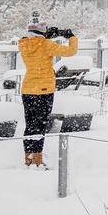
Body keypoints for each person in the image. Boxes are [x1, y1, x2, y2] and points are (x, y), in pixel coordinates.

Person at [19, 11, 77, 169]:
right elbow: (70, 51)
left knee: (30, 124)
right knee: (41, 124)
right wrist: (71, 37)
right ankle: (37, 160)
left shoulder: (23, 44)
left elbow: (35, 42)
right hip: (44, 90)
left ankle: (28, 158)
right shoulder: (46, 45)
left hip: (28, 89)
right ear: (42, 31)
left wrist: (46, 35)